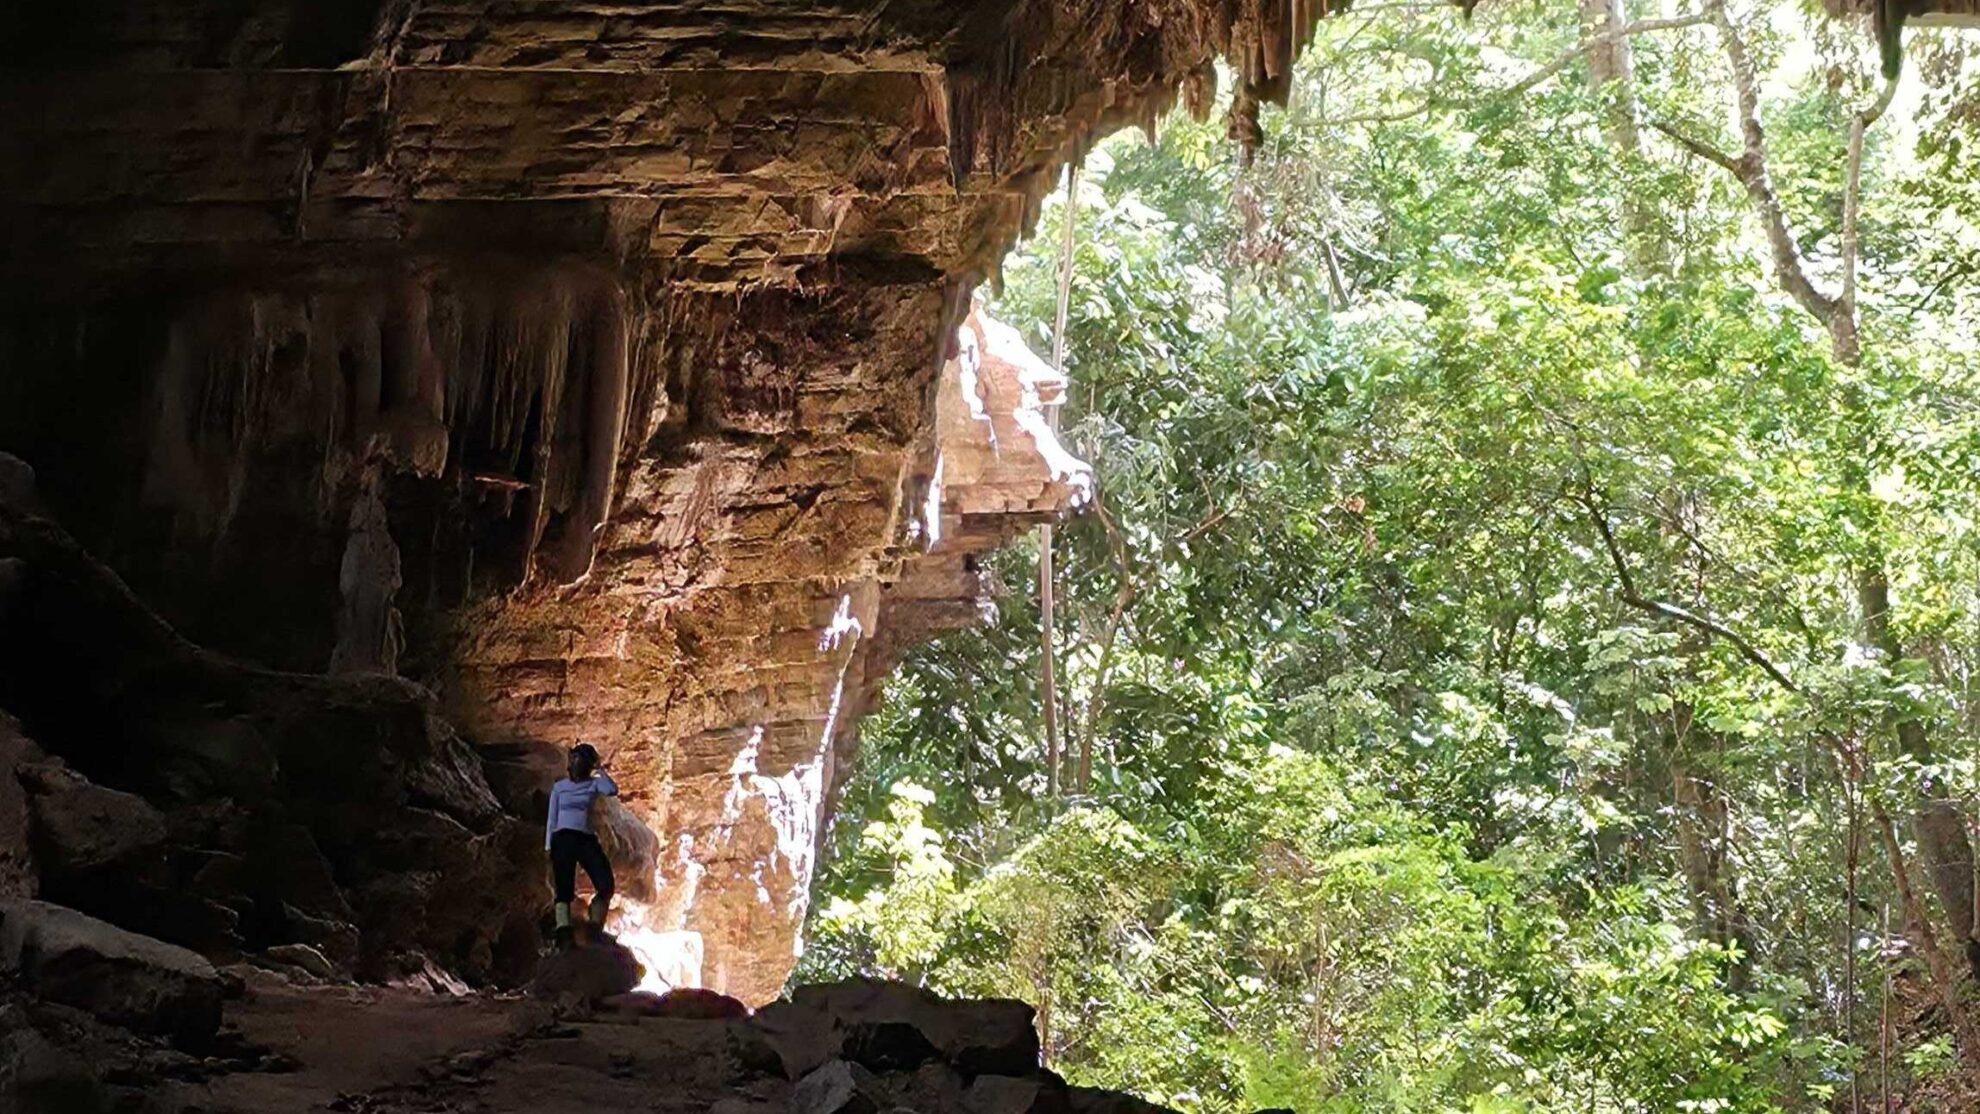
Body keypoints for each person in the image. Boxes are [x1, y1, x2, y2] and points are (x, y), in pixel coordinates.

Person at [545, 742, 617, 948]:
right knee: (563, 888)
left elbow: (611, 790)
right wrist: (548, 846)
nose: (576, 765)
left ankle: (594, 928)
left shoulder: (593, 784)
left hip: (584, 838)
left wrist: (599, 770)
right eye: (574, 760)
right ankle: (564, 932)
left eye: (580, 761)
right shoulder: (560, 787)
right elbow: (552, 818)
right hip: (563, 838)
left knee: (605, 884)